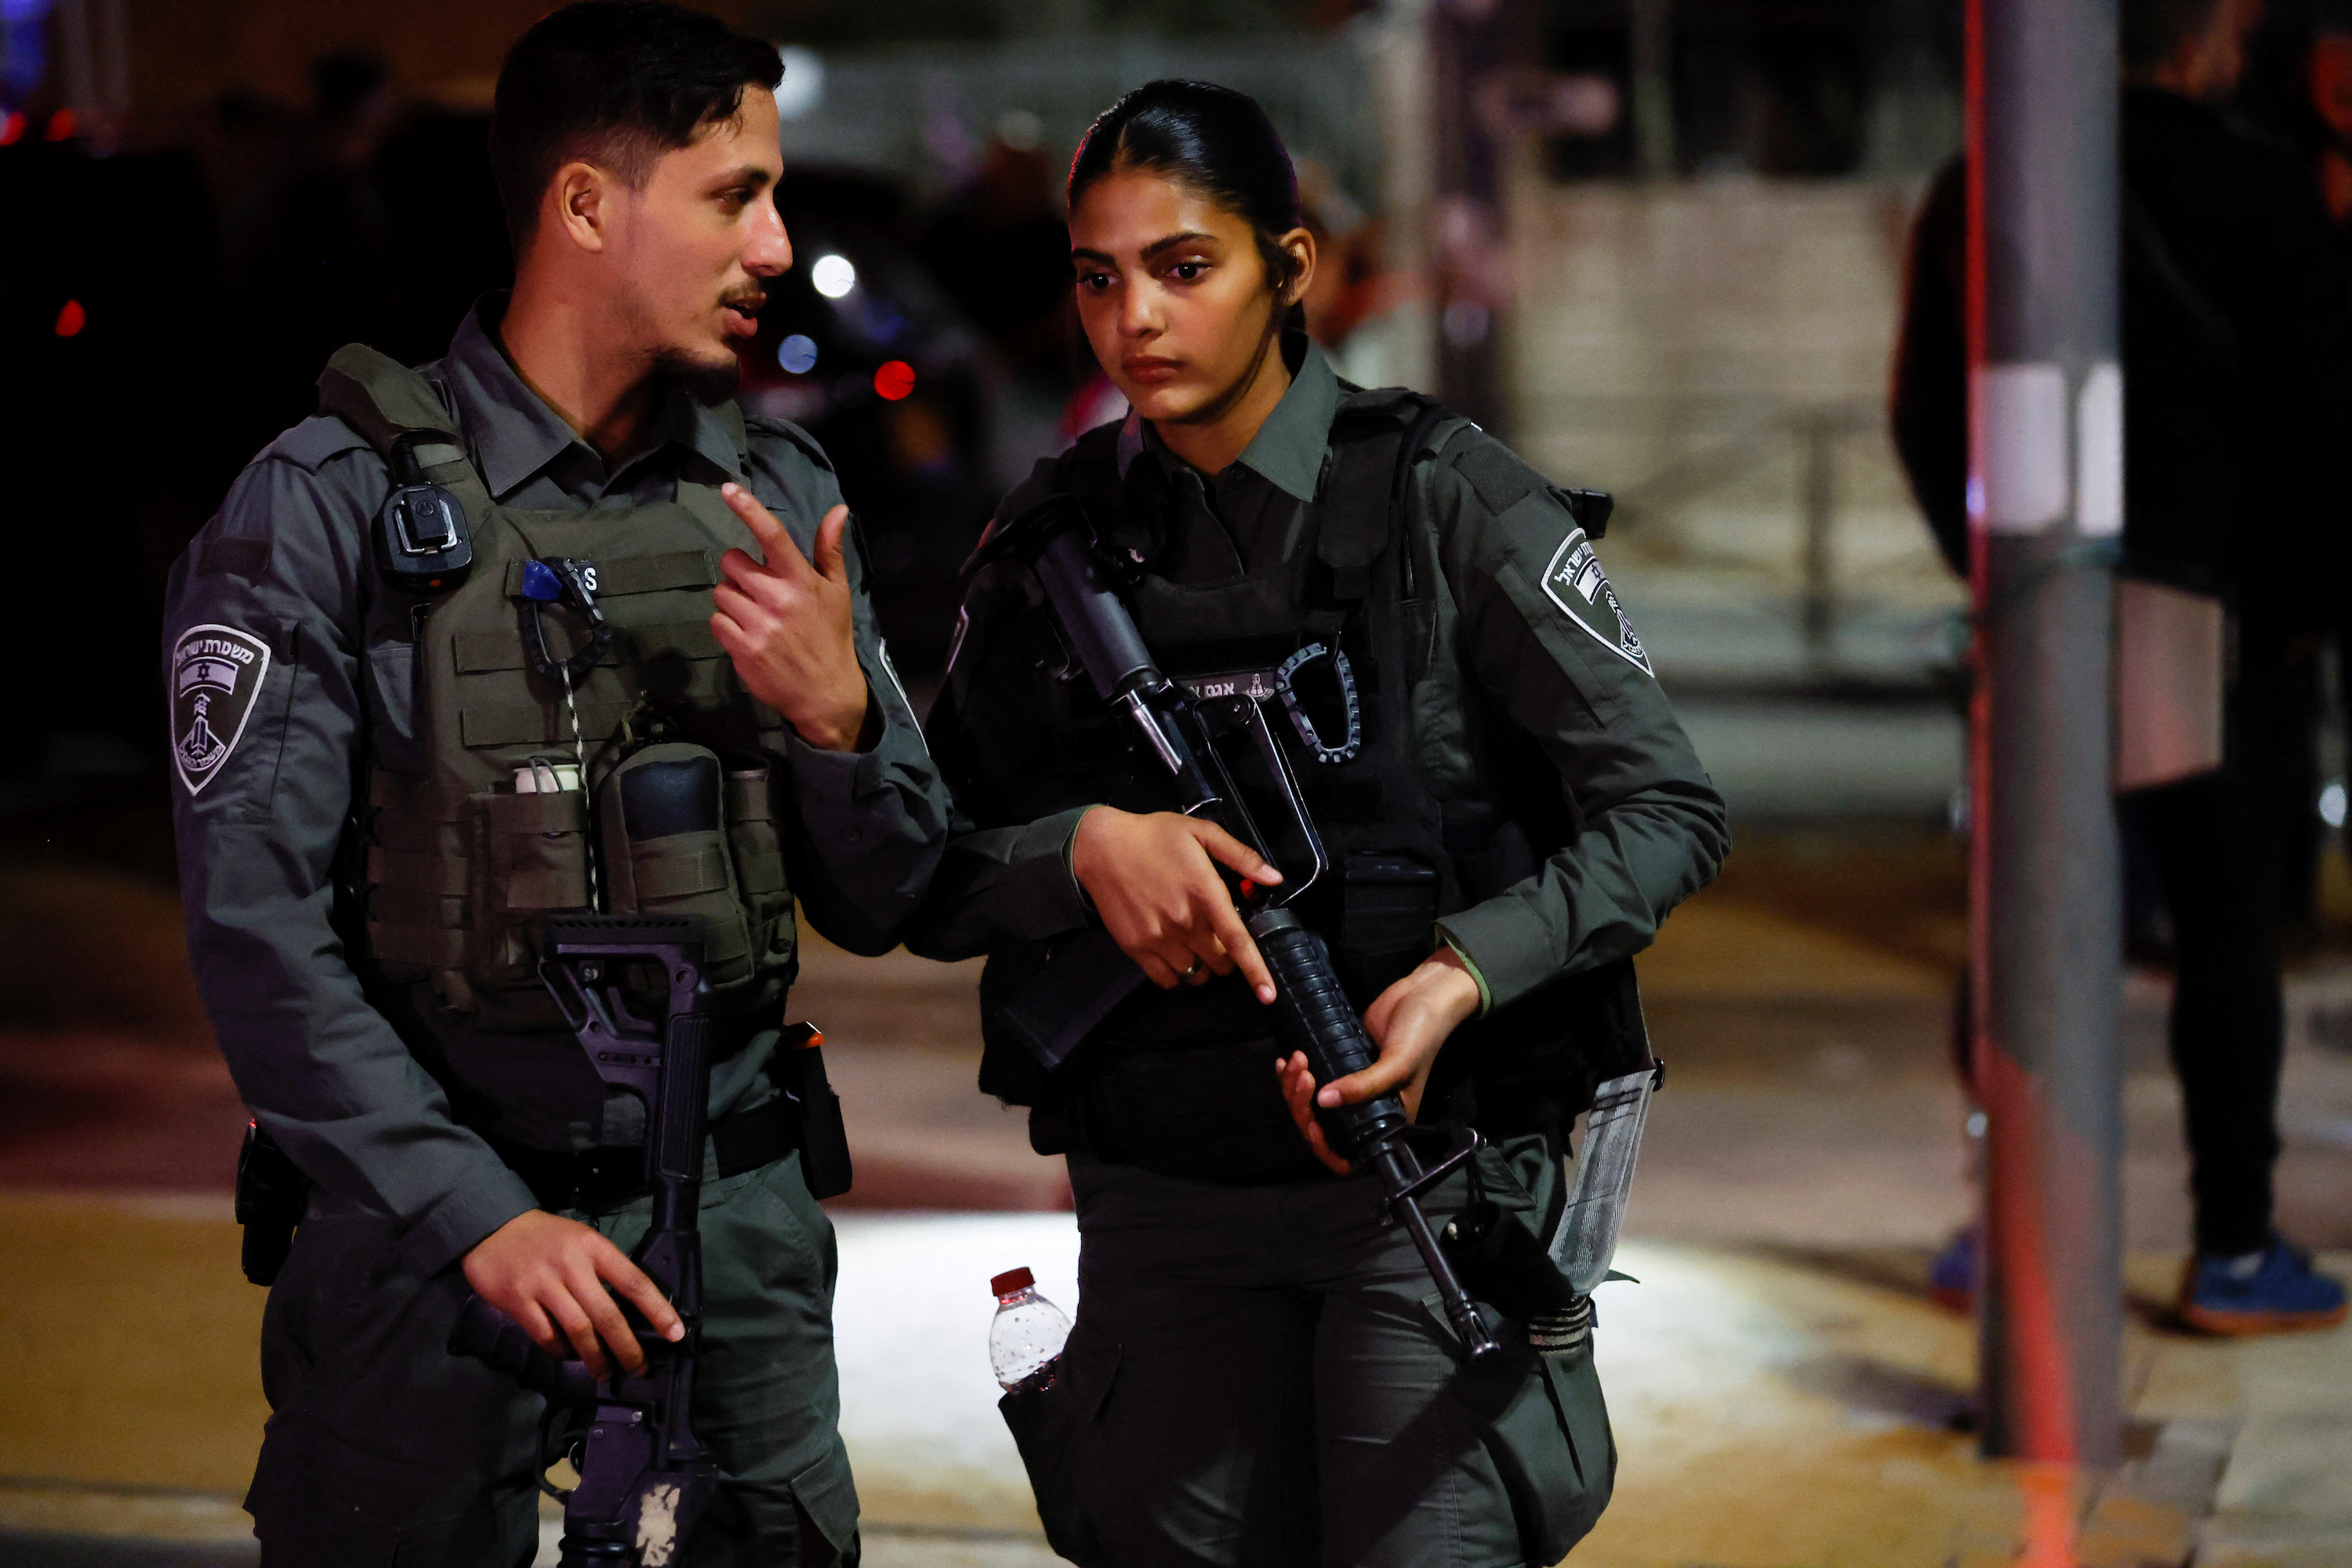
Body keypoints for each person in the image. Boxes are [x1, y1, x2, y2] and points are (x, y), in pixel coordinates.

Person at [165, 4, 949, 1560]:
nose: (779, 246)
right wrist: (477, 1215)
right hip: (425, 1251)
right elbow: (254, 930)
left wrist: (839, 723)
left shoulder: (777, 497)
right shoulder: (326, 505)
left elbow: (890, 893)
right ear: (591, 205)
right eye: (736, 195)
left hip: (729, 1246)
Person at [909, 80, 1727, 1566]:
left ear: (1291, 266)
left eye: (1183, 267)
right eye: (1098, 276)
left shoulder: (1449, 504)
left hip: (1428, 1181)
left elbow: (1664, 806)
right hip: (1168, 1197)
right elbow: (920, 867)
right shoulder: (1046, 551)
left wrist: (1462, 974)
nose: (1134, 319)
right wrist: (1083, 849)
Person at [1892, 0, 2352, 1334]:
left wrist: (1990, 571)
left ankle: (2014, 1225)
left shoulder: (1986, 180)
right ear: (2206, 42)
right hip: (2213, 616)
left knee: (2031, 919)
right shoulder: (2257, 187)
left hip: (2048, 605)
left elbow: (1928, 405)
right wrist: (2304, 612)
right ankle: (2232, 1247)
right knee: (2222, 939)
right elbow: (2329, 422)